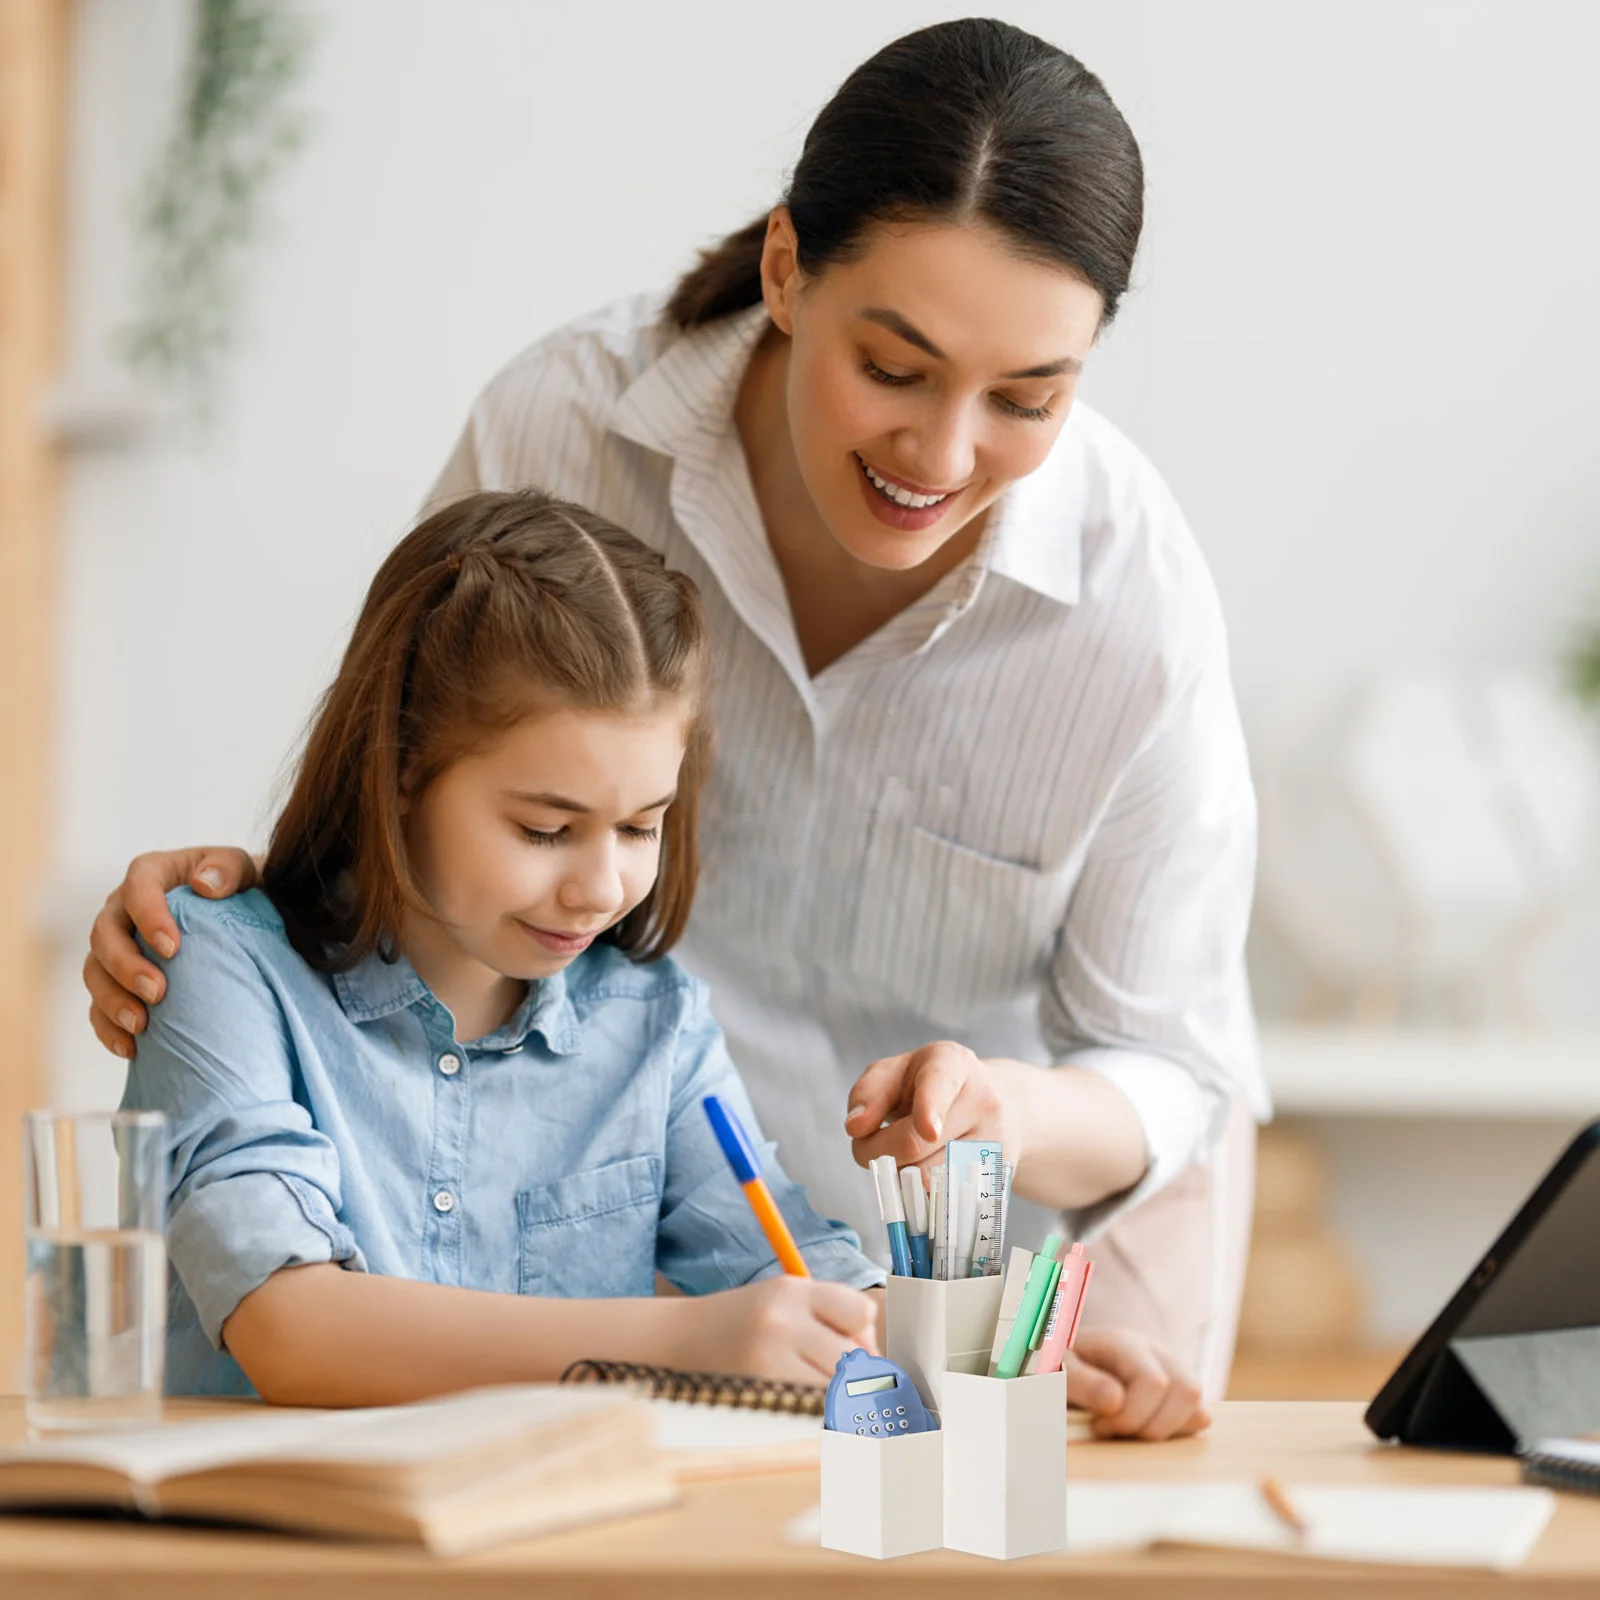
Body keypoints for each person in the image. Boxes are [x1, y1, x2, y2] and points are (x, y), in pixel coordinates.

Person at [86, 18, 1262, 1438]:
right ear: (785, 272)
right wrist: (237, 895)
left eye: (1026, 400)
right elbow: (413, 714)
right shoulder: (564, 427)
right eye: (893, 370)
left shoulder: (1127, 598)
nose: (945, 456)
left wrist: (994, 1257)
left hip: (917, 1268)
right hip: (680, 1324)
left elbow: (1175, 1070)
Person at [122, 490, 884, 1405]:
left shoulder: (656, 1024)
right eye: (545, 829)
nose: (601, 887)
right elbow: (288, 1329)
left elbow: (800, 1275)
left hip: (550, 1540)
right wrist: (685, 1336)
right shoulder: (220, 967)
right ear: (402, 773)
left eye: (642, 827)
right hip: (260, 1543)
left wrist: (993, 1352)